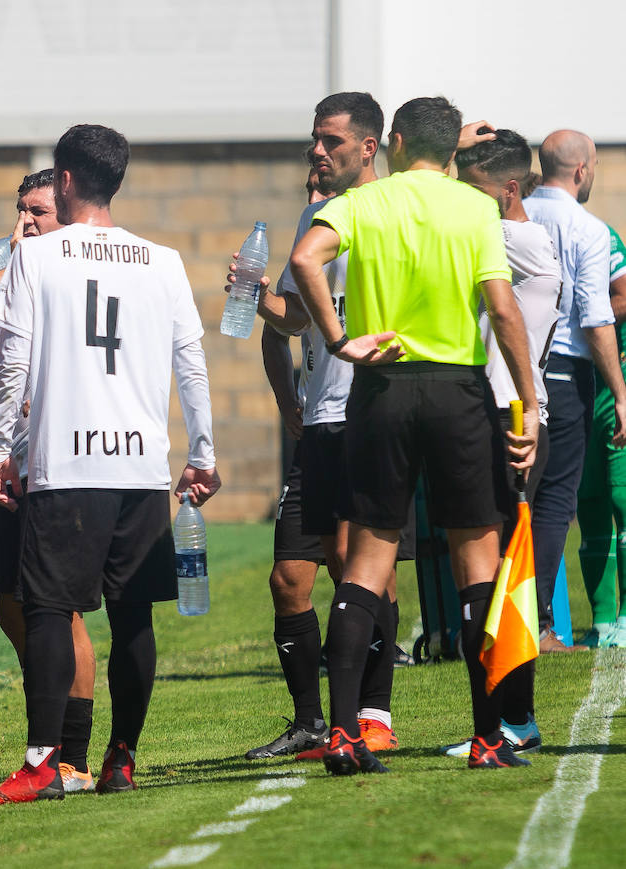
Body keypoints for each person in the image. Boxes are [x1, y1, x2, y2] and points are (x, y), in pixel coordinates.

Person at [0, 124, 219, 807]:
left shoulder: (38, 257)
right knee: (132, 615)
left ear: (68, 181)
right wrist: (202, 452)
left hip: (66, 461)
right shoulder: (163, 260)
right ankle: (122, 755)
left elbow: (13, 359)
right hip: (140, 467)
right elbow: (190, 362)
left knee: (48, 609)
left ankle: (42, 762)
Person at [291, 96, 539, 773]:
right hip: (458, 391)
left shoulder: (364, 202)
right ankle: (489, 736)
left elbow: (307, 257)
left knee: (367, 559)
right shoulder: (474, 207)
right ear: (449, 151)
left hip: (382, 388)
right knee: (476, 564)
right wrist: (530, 402)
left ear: (393, 142)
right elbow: (502, 306)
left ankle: (344, 732)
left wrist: (341, 342)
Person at [242, 93, 406, 760]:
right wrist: (257, 295)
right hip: (319, 422)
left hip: (369, 415)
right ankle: (310, 720)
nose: (316, 150)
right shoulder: (315, 217)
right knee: (289, 578)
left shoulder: (394, 213)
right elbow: (294, 319)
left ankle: (372, 713)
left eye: (330, 139)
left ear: (368, 147)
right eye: (314, 138)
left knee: (362, 569)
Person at [0, 168, 101, 793]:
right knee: (13, 609)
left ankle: (73, 758)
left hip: (66, 466)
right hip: (14, 467)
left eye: (39, 211)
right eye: (21, 210)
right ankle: (48, 736)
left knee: (60, 612)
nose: (26, 222)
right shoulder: (13, 285)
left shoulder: (75, 281)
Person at [435, 127, 562, 757]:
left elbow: (429, 216)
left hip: (512, 415)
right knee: (503, 567)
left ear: (509, 191)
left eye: (474, 189)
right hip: (499, 411)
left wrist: (436, 155)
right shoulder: (501, 232)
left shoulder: (520, 239)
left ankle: (514, 719)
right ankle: (515, 717)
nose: (461, 199)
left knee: (504, 571)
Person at [523, 130, 626, 650]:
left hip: (507, 374)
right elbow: (596, 315)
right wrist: (620, 392)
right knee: (554, 503)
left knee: (514, 496)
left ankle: (485, 617)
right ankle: (535, 625)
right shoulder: (588, 229)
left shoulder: (512, 214)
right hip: (563, 378)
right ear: (583, 171)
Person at [577, 223, 626, 648]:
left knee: (621, 496)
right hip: (574, 387)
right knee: (588, 501)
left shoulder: (600, 235)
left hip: (613, 384)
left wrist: (577, 316)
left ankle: (625, 615)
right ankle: (603, 619)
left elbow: (623, 295)